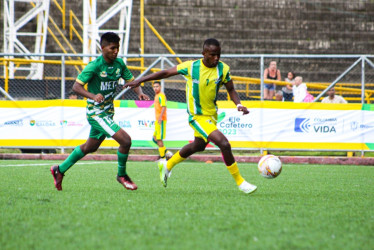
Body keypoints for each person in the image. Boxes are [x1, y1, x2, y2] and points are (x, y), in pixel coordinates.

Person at [125, 38, 257, 194]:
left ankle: (167, 165)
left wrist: (239, 104)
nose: (216, 58)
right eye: (213, 55)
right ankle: (240, 182)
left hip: (212, 115)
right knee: (224, 144)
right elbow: (166, 72)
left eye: (218, 55)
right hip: (197, 116)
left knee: (198, 145)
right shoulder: (191, 67)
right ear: (204, 54)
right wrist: (140, 80)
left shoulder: (223, 69)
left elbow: (231, 89)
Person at [50, 32, 150, 191]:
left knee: (89, 147)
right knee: (126, 141)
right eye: (112, 48)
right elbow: (76, 87)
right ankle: (121, 175)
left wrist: (139, 93)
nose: (116, 51)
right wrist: (92, 95)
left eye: (117, 48)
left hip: (108, 112)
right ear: (103, 48)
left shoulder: (119, 64)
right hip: (96, 113)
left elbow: (132, 81)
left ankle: (59, 170)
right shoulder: (94, 66)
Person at [152, 81, 172, 160]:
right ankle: (167, 152)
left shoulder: (161, 96)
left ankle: (163, 158)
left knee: (159, 139)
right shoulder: (156, 95)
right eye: (154, 87)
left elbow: (164, 106)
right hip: (158, 120)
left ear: (160, 87)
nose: (155, 88)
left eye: (157, 86)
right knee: (154, 138)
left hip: (161, 120)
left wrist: (160, 117)